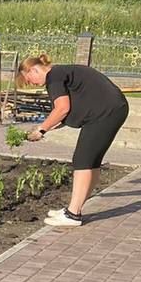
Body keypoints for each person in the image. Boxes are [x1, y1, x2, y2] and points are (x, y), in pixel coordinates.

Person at [17, 53, 129, 228]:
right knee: (90, 161)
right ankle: (74, 209)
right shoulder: (61, 73)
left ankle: (73, 214)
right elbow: (63, 115)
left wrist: (41, 129)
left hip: (105, 113)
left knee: (82, 160)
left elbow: (62, 109)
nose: (31, 83)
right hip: (111, 110)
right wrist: (43, 129)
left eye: (28, 79)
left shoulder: (53, 77)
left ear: (32, 69)